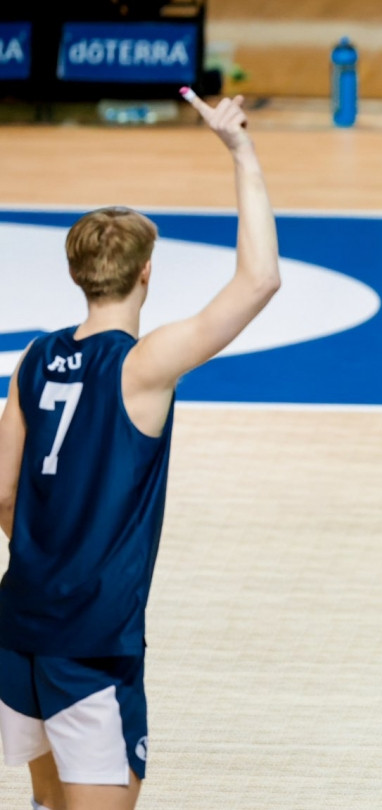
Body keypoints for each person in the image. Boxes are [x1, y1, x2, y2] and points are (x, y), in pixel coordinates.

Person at [0, 91, 280, 810]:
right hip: (91, 640)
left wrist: (50, 550)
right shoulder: (142, 365)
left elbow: (2, 494)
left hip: (18, 626)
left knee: (45, 801)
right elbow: (259, 281)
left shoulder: (33, 361)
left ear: (75, 273)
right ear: (146, 273)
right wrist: (240, 150)